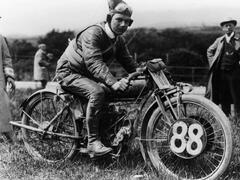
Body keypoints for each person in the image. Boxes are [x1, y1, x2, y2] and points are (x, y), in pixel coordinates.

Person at [55, 0, 145, 157]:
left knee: (108, 94)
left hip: (87, 75)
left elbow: (128, 63)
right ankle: (93, 143)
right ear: (109, 18)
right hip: (68, 72)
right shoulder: (93, 33)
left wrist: (145, 72)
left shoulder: (118, 39)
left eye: (127, 21)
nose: (124, 25)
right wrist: (114, 82)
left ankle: (107, 134)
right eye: (119, 20)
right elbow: (94, 63)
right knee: (97, 92)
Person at [206, 17, 240, 117]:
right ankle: (226, 119)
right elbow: (209, 51)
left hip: (235, 74)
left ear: (234, 26)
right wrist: (213, 63)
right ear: (223, 28)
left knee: (236, 97)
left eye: (230, 25)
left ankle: (237, 120)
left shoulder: (238, 40)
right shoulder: (220, 40)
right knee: (224, 97)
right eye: (226, 26)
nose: (228, 27)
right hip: (221, 73)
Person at [0, 16, 16, 143]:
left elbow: (7, 59)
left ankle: (9, 136)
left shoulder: (1, 38)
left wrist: (10, 76)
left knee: (3, 106)